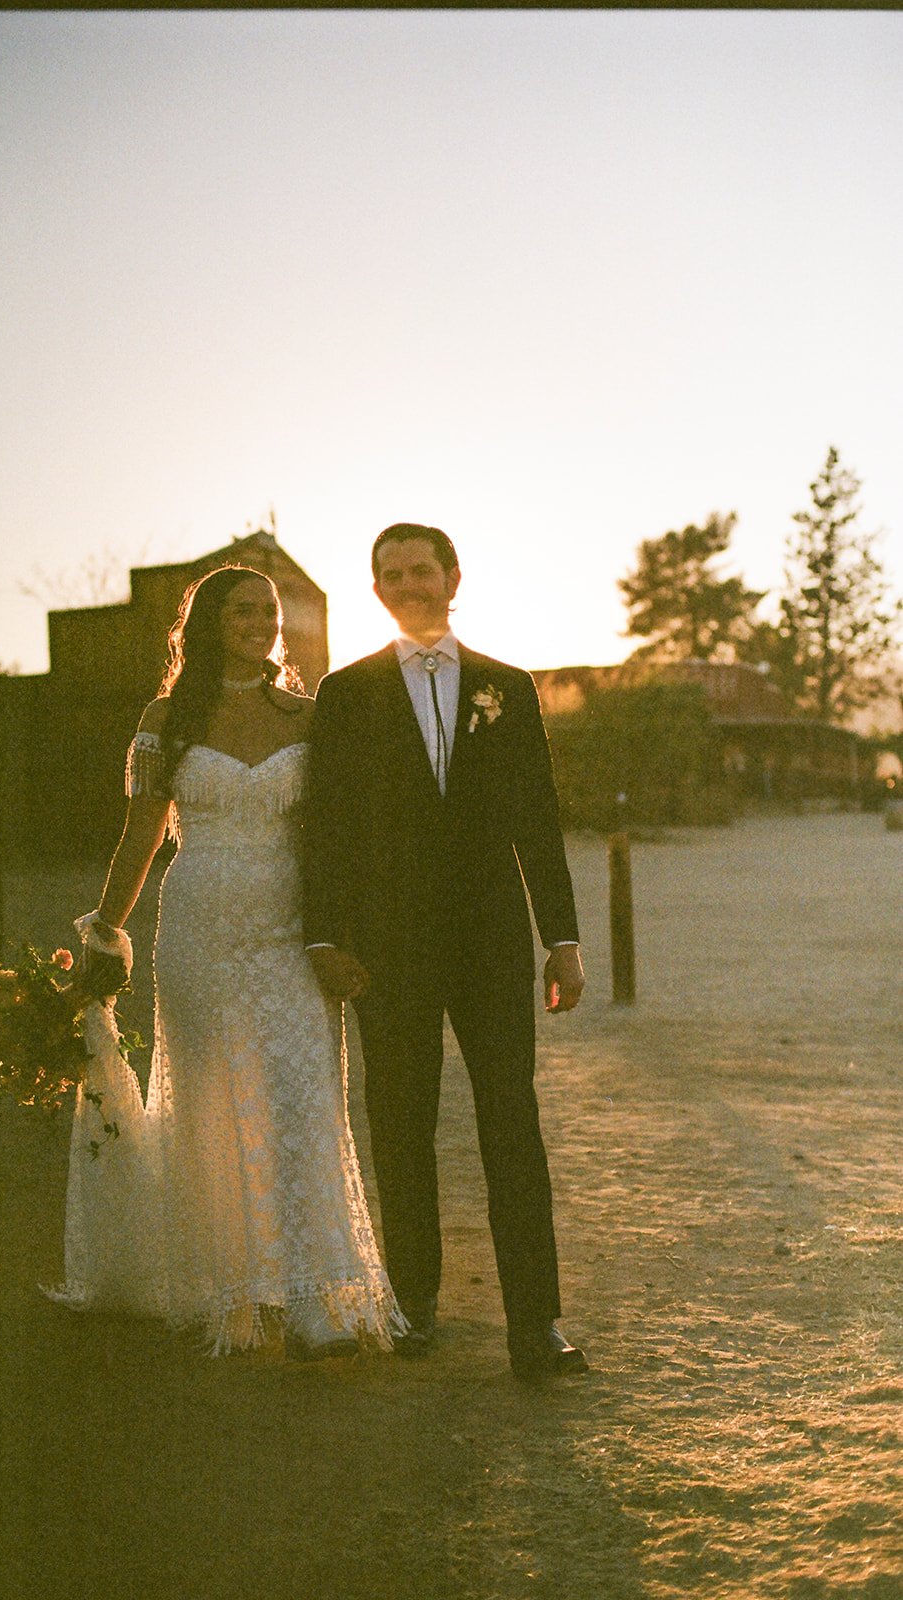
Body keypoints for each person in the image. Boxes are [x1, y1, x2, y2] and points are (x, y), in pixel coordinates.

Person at [49, 565, 403, 1359]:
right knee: (216, 1102)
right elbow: (140, 836)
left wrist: (345, 931)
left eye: (269, 612)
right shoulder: (166, 717)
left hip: (291, 929)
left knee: (303, 1093)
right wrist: (104, 933)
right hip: (202, 926)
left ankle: (314, 1297)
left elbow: (340, 838)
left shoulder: (312, 717)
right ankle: (240, 1288)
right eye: (243, 611)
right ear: (208, 623)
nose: (260, 623)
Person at [302, 524, 587, 1385]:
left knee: (512, 1125)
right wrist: (323, 936)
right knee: (401, 1125)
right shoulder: (344, 693)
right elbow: (327, 824)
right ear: (377, 591)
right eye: (389, 575)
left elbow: (536, 816)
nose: (407, 584)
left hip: (492, 942)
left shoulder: (508, 686)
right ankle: (413, 1307)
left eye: (420, 569)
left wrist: (561, 939)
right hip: (387, 947)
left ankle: (534, 1326)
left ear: (452, 576)